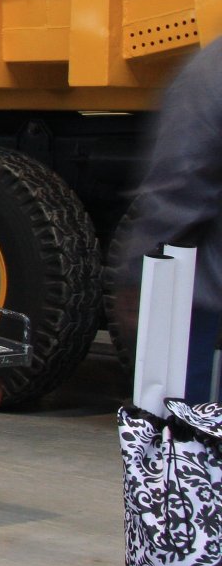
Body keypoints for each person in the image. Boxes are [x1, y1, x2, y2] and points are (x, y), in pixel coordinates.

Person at [113, 35, 222, 403]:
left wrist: (137, 274)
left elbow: (180, 182)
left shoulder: (212, 71)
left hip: (207, 303)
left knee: (192, 423)